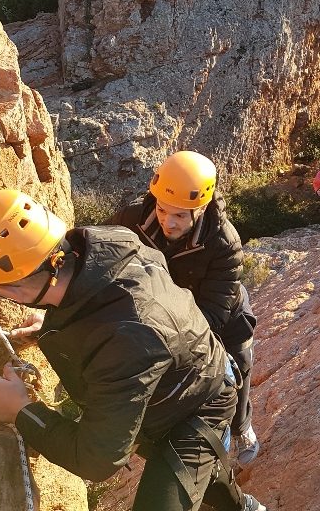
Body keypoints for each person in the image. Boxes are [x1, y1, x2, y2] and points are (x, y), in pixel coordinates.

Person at [0, 189, 265, 511]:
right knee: (201, 471)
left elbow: (98, 461)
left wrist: (21, 410)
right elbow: (116, 304)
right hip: (181, 379)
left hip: (200, 403)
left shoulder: (128, 338)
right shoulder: (109, 244)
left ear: (9, 287)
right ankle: (245, 507)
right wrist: (54, 321)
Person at [108, 151, 261, 466]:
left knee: (237, 366)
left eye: (179, 215)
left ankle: (242, 424)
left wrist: (172, 342)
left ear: (200, 209)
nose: (168, 221)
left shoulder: (222, 241)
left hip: (219, 314)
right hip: (163, 309)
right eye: (163, 210)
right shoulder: (133, 218)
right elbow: (104, 254)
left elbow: (215, 309)